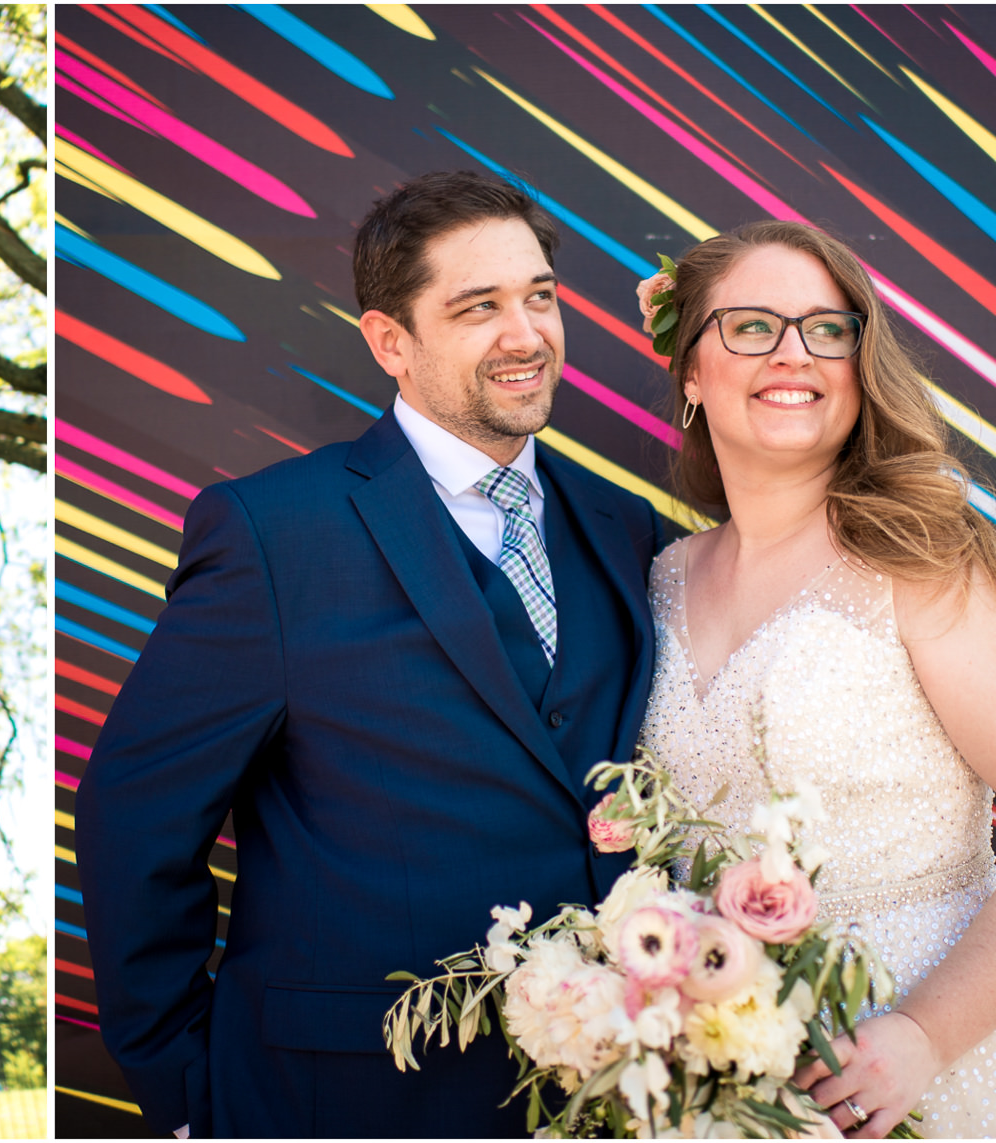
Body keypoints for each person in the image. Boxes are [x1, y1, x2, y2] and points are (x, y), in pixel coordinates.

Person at [75, 170, 677, 1138]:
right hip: (348, 1098)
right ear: (390, 341)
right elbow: (134, 820)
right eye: (478, 308)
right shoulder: (273, 534)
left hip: (610, 1099)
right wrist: (190, 1090)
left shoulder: (625, 530)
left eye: (539, 298)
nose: (526, 336)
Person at [635, 219, 996, 1137]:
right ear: (690, 373)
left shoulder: (922, 556)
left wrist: (922, 1034)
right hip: (724, 1080)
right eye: (751, 327)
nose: (793, 353)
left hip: (941, 1067)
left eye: (827, 328)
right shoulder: (660, 579)